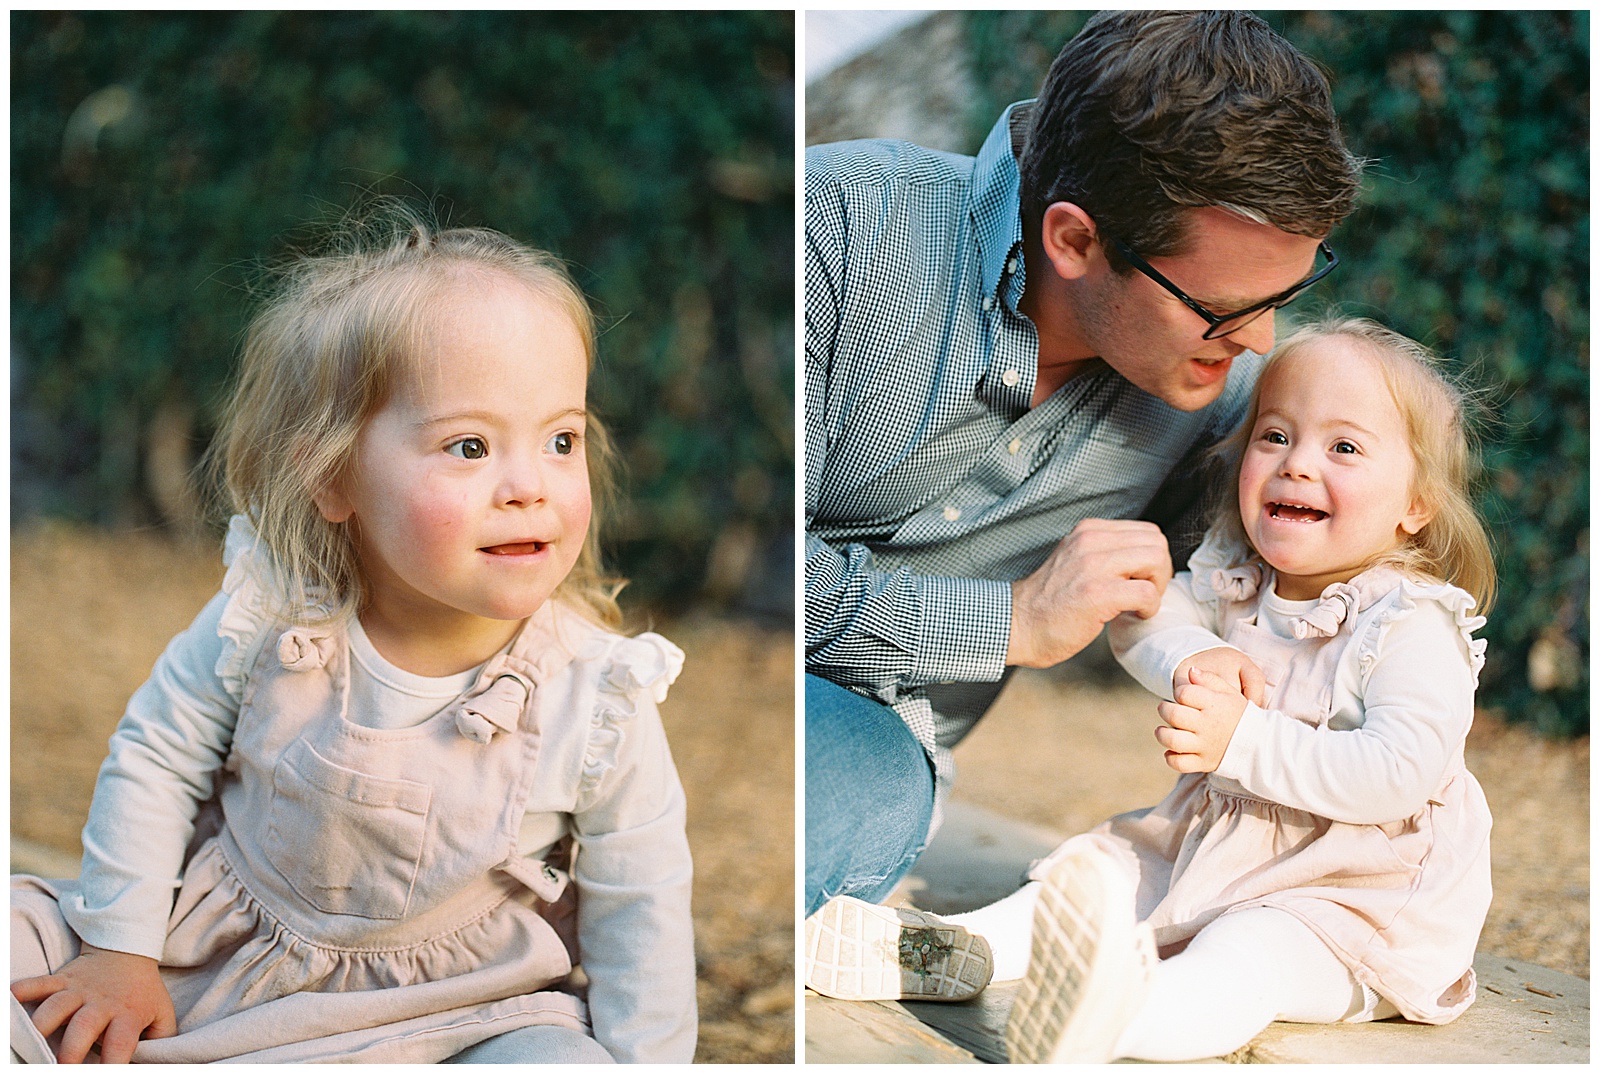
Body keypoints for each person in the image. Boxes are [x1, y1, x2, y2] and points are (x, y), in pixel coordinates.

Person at [9, 216, 697, 1064]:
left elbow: (643, 902)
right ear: (334, 477)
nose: (530, 486)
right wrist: (119, 952)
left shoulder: (598, 698)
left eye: (562, 439)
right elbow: (155, 756)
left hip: (456, 1017)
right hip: (214, 969)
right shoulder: (268, 622)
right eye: (471, 446)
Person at [804, 10, 1362, 995]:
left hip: (876, 758)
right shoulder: (832, 233)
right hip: (736, 700)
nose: (1262, 342)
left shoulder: (1222, 405)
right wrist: (1010, 620)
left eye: (1289, 290)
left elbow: (1211, 611)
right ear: (1074, 239)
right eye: (1226, 310)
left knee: (865, 794)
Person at [912, 317, 1491, 1062]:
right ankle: (956, 951)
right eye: (1275, 435)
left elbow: (1395, 776)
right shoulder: (1237, 573)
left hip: (1350, 894)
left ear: (1417, 504)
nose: (1297, 465)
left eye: (1343, 447)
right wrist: (1193, 656)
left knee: (1245, 952)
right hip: (1209, 845)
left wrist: (1244, 740)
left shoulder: (1411, 624)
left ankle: (1121, 1018)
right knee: (1104, 876)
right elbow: (1146, 621)